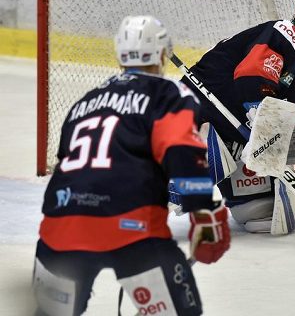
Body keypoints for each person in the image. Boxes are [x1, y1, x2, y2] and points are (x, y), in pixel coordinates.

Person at [33, 16, 230, 316]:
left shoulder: (85, 102)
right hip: (131, 230)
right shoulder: (168, 95)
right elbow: (183, 154)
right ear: (162, 54)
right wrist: (205, 211)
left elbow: (68, 164)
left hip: (60, 228)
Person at [181, 0, 295, 234]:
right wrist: (262, 130)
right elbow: (251, 78)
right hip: (199, 111)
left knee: (260, 210)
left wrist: (273, 142)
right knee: (189, 181)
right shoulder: (282, 35)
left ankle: (233, 154)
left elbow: (279, 112)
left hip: (233, 123)